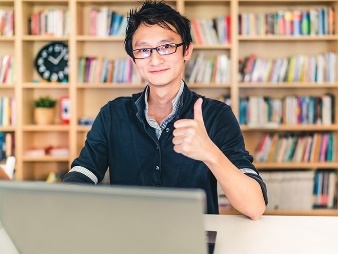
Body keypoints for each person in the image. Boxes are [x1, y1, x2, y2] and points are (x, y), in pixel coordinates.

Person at [62, 0, 268, 220]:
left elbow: (254, 208)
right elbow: (84, 173)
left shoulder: (216, 115)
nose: (155, 59)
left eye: (166, 46)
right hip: (127, 239)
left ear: (186, 50)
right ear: (133, 59)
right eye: (143, 50)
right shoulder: (113, 114)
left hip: (194, 240)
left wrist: (210, 153)